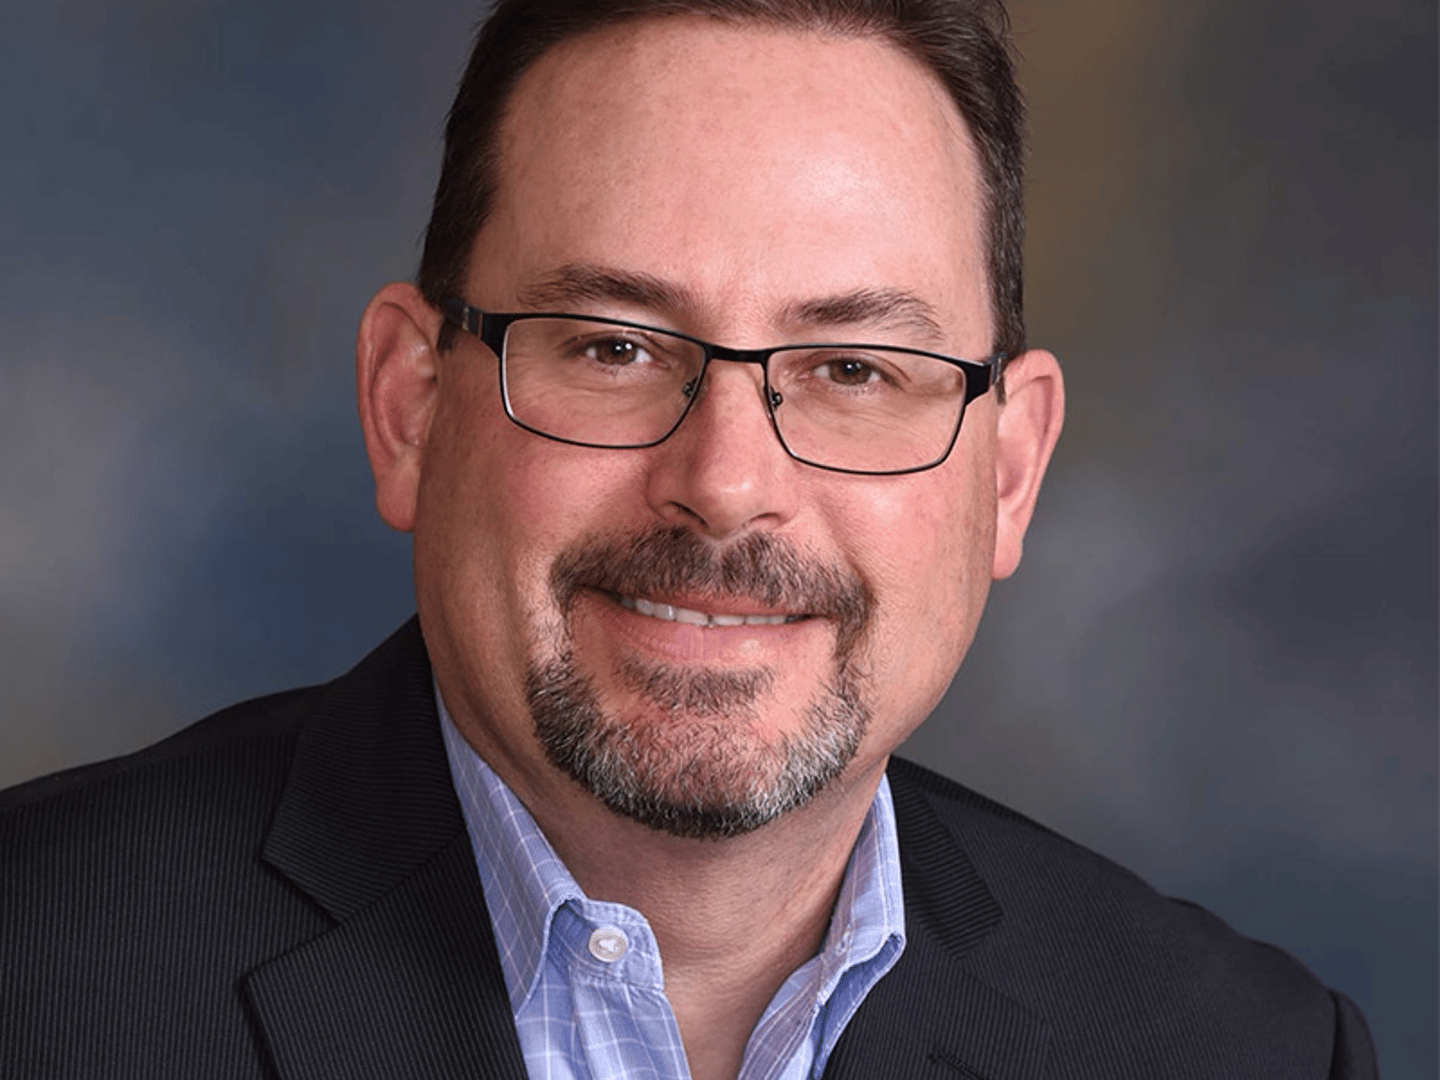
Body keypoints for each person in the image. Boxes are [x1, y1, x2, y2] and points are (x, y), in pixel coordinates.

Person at [0, 1, 1378, 1077]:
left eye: (853, 370)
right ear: (408, 407)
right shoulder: (35, 979)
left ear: (1009, 470)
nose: (726, 486)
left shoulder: (1242, 1051)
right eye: (612, 347)